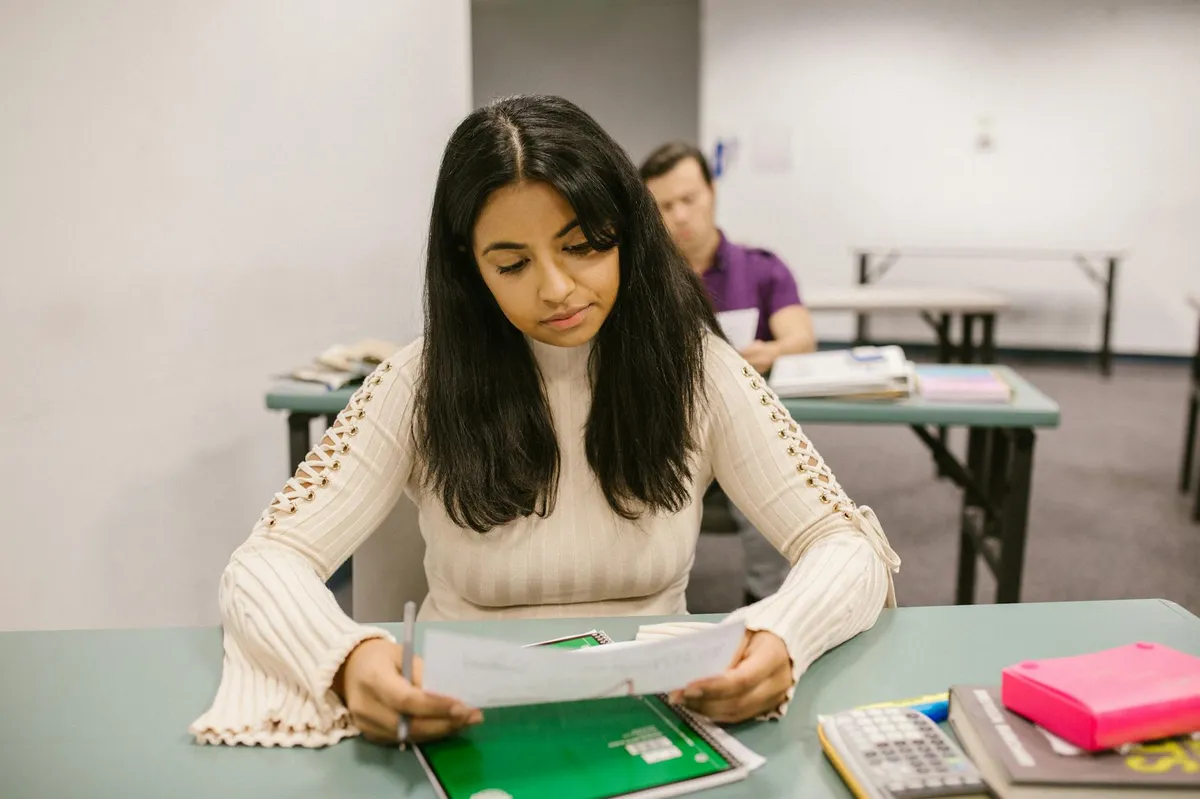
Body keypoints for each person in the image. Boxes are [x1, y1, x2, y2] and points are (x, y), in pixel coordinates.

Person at [189, 95, 899, 749]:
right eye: (512, 263)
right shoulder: (420, 383)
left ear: (627, 231)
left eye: (584, 245)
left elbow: (849, 545)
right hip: (457, 721)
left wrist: (781, 634)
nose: (557, 289)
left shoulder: (699, 370)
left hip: (659, 715)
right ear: (470, 267)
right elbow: (262, 564)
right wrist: (346, 659)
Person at [641, 141, 819, 605]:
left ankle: (767, 606)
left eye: (689, 199)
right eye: (664, 205)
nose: (680, 215)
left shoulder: (760, 269)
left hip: (743, 430)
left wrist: (770, 351)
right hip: (662, 432)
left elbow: (801, 338)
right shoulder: (639, 278)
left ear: (712, 192)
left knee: (777, 496)